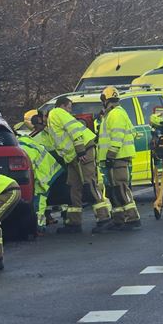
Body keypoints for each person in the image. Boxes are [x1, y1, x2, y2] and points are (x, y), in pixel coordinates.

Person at [47, 95, 112, 233]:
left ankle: (104, 218)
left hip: (81, 151)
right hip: (76, 154)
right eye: (69, 108)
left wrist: (81, 151)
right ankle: (74, 222)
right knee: (74, 187)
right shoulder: (58, 113)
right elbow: (72, 132)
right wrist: (78, 152)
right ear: (62, 106)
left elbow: (74, 132)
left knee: (89, 184)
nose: (70, 111)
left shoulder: (55, 115)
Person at [97, 87, 141, 230]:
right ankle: (119, 219)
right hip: (114, 158)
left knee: (121, 187)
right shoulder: (111, 114)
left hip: (117, 157)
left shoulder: (116, 114)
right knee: (114, 189)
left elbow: (117, 136)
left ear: (106, 100)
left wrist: (111, 155)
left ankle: (132, 219)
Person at [17, 130, 63, 233]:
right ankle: (40, 224)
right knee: (40, 198)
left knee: (39, 198)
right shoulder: (24, 143)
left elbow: (32, 167)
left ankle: (38, 226)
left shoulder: (22, 149)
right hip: (47, 169)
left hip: (45, 173)